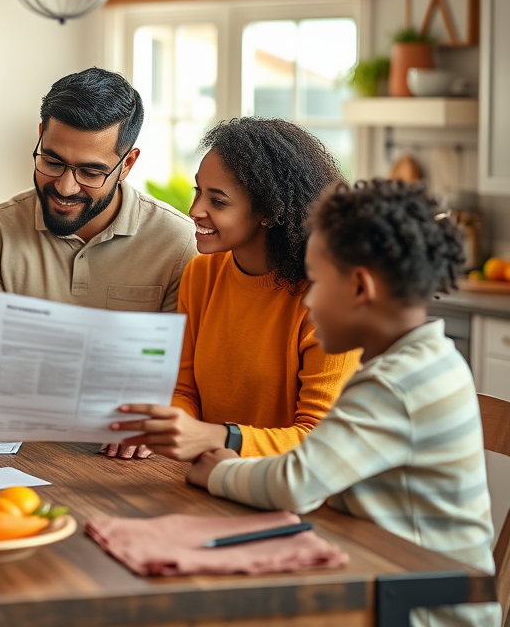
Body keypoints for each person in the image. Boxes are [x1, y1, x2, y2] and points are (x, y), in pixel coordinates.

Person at [183, 179, 498, 627]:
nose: (308, 298)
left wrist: (219, 470)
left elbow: (298, 481)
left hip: (423, 608)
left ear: (359, 287)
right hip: (388, 579)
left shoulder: (395, 385)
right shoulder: (424, 362)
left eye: (316, 281)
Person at [0, 67, 199, 463]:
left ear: (128, 163)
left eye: (91, 171)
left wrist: (164, 418)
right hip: (16, 456)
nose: (65, 187)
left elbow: (187, 381)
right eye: (52, 161)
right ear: (41, 138)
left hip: (129, 461)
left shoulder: (179, 242)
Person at [110, 118, 361, 459]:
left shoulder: (327, 299)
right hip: (208, 476)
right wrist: (163, 429)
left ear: (269, 212)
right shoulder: (201, 275)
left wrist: (217, 438)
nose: (194, 210)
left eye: (218, 201)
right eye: (199, 191)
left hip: (286, 491)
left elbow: (322, 439)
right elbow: (185, 391)